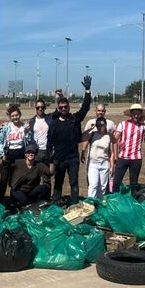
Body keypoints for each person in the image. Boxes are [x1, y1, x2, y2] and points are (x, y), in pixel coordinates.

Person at [46, 75, 92, 204]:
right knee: (58, 183)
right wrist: (50, 159)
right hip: (58, 159)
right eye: (61, 107)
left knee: (74, 182)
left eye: (65, 107)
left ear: (69, 107)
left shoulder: (74, 119)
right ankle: (56, 203)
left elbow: (85, 108)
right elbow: (49, 142)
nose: (63, 109)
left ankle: (75, 204)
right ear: (58, 108)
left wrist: (87, 91)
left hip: (72, 158)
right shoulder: (54, 122)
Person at [112, 103, 145, 191]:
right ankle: (114, 199)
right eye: (134, 113)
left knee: (134, 182)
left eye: (138, 113)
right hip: (123, 156)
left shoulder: (142, 126)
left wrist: (144, 121)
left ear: (141, 114)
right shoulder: (123, 124)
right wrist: (115, 155)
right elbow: (115, 140)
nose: (136, 115)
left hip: (136, 158)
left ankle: (133, 200)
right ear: (131, 114)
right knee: (117, 181)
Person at [0, 104, 33, 200]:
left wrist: (27, 131)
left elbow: (29, 141)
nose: (15, 117)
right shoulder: (6, 127)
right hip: (8, 156)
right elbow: (0, 141)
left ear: (19, 115)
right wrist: (1, 155)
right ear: (10, 117)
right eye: (12, 116)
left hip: (20, 156)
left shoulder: (24, 127)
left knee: (17, 180)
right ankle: (0, 200)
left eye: (16, 115)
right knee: (4, 180)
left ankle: (15, 199)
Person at [82, 117, 116, 199]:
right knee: (93, 185)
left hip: (104, 164)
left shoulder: (109, 136)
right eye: (98, 125)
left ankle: (99, 203)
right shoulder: (92, 134)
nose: (100, 127)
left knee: (102, 187)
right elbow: (82, 137)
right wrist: (91, 128)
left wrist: (112, 166)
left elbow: (111, 153)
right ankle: (90, 204)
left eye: (102, 125)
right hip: (93, 164)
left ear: (106, 125)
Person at [27, 98, 55, 163]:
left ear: (45, 108)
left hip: (48, 150)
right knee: (36, 171)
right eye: (38, 107)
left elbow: (59, 111)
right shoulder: (31, 121)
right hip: (36, 151)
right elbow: (28, 136)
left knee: (48, 172)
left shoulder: (50, 118)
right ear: (35, 108)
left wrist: (61, 96)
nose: (40, 109)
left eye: (42, 107)